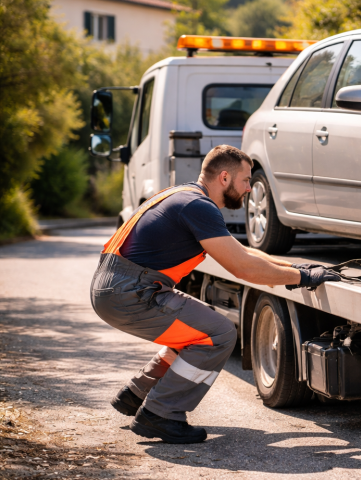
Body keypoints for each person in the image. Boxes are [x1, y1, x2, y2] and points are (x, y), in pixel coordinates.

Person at [89, 145, 339, 444]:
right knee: (219, 334)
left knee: (197, 330)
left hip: (114, 286)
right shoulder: (198, 206)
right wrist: (301, 278)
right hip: (130, 291)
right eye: (246, 179)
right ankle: (161, 414)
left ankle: (135, 394)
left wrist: (294, 266)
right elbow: (243, 268)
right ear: (224, 177)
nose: (250, 188)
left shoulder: (182, 195)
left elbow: (240, 251)